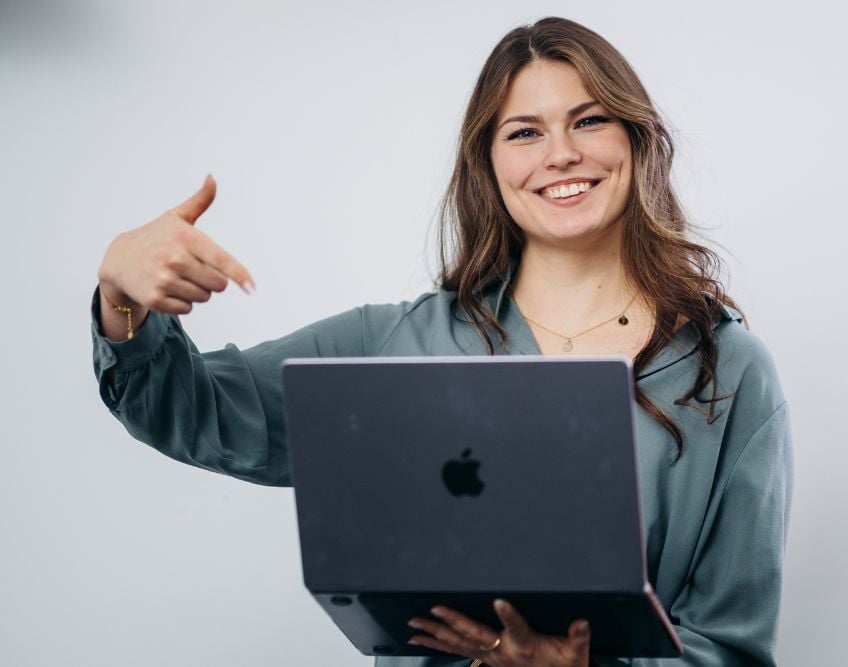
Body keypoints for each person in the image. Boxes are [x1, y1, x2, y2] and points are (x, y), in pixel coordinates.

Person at [92, 16, 792, 667]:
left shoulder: (727, 371)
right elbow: (196, 410)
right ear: (487, 163)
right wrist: (120, 293)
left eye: (590, 120)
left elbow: (734, 646)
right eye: (524, 132)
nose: (562, 154)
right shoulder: (396, 341)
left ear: (635, 140)